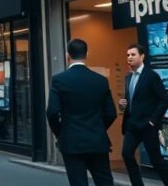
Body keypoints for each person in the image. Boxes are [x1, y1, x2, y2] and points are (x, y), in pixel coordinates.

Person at [47, 39, 117, 186]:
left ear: (68, 55)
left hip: (72, 141)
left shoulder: (59, 80)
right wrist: (98, 128)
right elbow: (111, 113)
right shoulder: (101, 80)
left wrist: (61, 133)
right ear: (87, 54)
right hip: (97, 141)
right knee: (104, 181)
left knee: (78, 182)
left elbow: (52, 112)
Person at [119, 44, 168, 186]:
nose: (129, 58)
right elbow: (133, 99)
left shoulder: (151, 76)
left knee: (156, 160)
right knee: (126, 154)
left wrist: (152, 121)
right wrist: (123, 104)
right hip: (132, 125)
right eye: (127, 55)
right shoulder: (128, 77)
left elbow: (165, 101)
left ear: (142, 56)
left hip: (147, 126)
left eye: (133, 55)